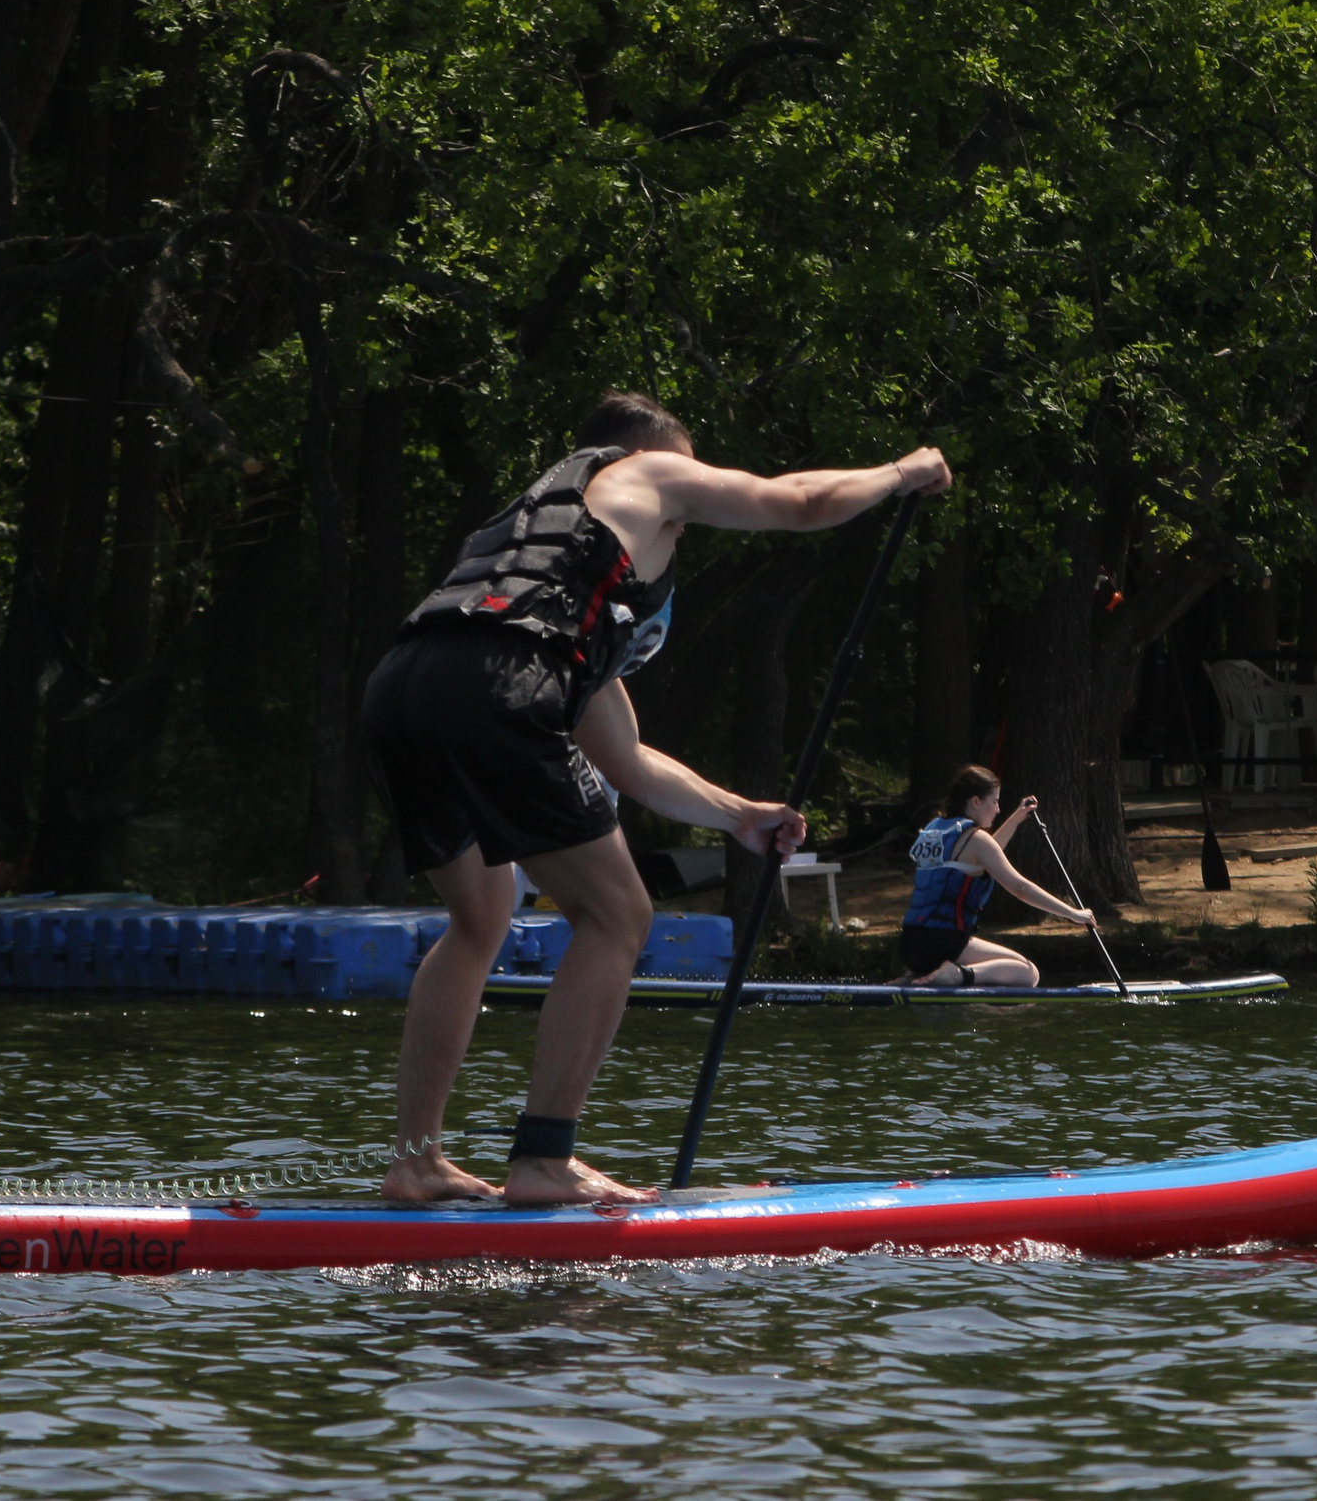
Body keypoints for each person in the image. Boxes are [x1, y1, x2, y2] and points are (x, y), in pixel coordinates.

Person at [363, 390, 950, 1205]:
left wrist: (740, 815)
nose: (681, 525)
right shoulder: (649, 469)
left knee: (481, 915)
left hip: (405, 685)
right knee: (617, 915)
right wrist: (900, 471)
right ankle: (542, 1160)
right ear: (654, 453)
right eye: (684, 509)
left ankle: (415, 1160)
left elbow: (629, 761)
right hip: (495, 689)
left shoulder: (548, 548)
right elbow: (801, 502)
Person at [898, 765, 1095, 988]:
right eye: (994, 801)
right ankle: (957, 975)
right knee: (1028, 973)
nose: (998, 809)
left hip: (910, 944)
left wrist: (1017, 817)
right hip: (945, 943)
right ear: (975, 802)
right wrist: (1072, 913)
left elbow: (986, 855)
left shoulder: (934, 831)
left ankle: (912, 978)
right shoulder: (976, 839)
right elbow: (1019, 887)